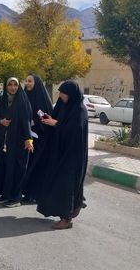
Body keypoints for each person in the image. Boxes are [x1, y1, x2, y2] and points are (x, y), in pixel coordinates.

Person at [37, 80, 88, 230]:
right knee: (60, 183)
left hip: (72, 156)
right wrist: (49, 120)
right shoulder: (63, 106)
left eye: (65, 93)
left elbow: (74, 132)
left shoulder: (79, 110)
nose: (62, 96)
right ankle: (75, 205)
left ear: (72, 94)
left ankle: (66, 218)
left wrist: (56, 124)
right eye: (61, 92)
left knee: (66, 185)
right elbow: (58, 120)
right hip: (60, 153)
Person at [0, 77, 34, 208]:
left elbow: (27, 122)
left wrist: (29, 139)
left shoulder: (23, 101)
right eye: (10, 85)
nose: (13, 87)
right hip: (5, 142)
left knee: (17, 169)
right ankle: (6, 195)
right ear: (6, 86)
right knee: (6, 168)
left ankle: (15, 197)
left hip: (19, 142)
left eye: (15, 85)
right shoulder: (2, 100)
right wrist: (0, 121)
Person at [21, 74, 53, 203]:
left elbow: (46, 118)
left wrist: (35, 123)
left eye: (30, 81)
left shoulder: (41, 100)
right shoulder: (23, 97)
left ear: (37, 83)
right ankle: (24, 191)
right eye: (26, 81)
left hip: (39, 139)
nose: (27, 83)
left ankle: (33, 193)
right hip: (24, 137)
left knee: (35, 166)